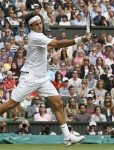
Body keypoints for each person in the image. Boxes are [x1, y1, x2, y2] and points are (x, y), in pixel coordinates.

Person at [0, 13, 91, 146]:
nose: (39, 25)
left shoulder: (40, 35)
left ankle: (67, 137)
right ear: (31, 26)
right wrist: (80, 40)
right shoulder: (35, 36)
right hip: (30, 77)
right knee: (11, 104)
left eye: (40, 23)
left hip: (42, 78)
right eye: (36, 24)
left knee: (58, 104)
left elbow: (51, 45)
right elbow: (56, 44)